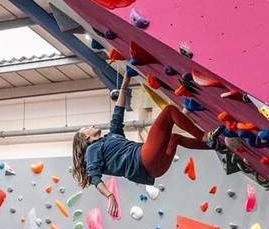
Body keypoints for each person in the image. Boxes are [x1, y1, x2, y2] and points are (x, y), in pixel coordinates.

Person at [72, 73, 237, 216]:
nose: (91, 125)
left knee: (175, 139)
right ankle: (204, 137)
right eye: (87, 128)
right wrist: (109, 195)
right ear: (86, 138)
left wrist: (124, 84)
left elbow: (118, 114)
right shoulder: (92, 150)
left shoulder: (111, 137)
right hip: (143, 159)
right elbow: (94, 176)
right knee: (169, 112)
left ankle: (216, 146)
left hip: (156, 170)